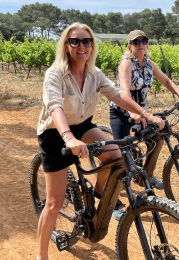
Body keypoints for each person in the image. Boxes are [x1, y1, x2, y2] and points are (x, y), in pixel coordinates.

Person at [35, 23, 164, 260]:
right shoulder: (55, 73)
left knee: (115, 155)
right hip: (56, 133)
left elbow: (117, 96)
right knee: (54, 203)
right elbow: (55, 107)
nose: (81, 46)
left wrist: (147, 115)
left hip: (82, 126)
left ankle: (96, 195)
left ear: (92, 46)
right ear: (66, 45)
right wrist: (68, 137)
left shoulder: (94, 74)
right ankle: (41, 255)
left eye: (86, 41)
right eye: (75, 41)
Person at [109, 29, 179, 208]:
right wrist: (133, 112)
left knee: (159, 134)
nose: (141, 45)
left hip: (142, 113)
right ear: (130, 45)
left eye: (144, 41)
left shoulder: (149, 64)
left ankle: (147, 173)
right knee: (120, 155)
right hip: (123, 112)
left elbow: (166, 81)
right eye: (136, 42)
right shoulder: (126, 63)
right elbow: (124, 90)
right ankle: (113, 201)